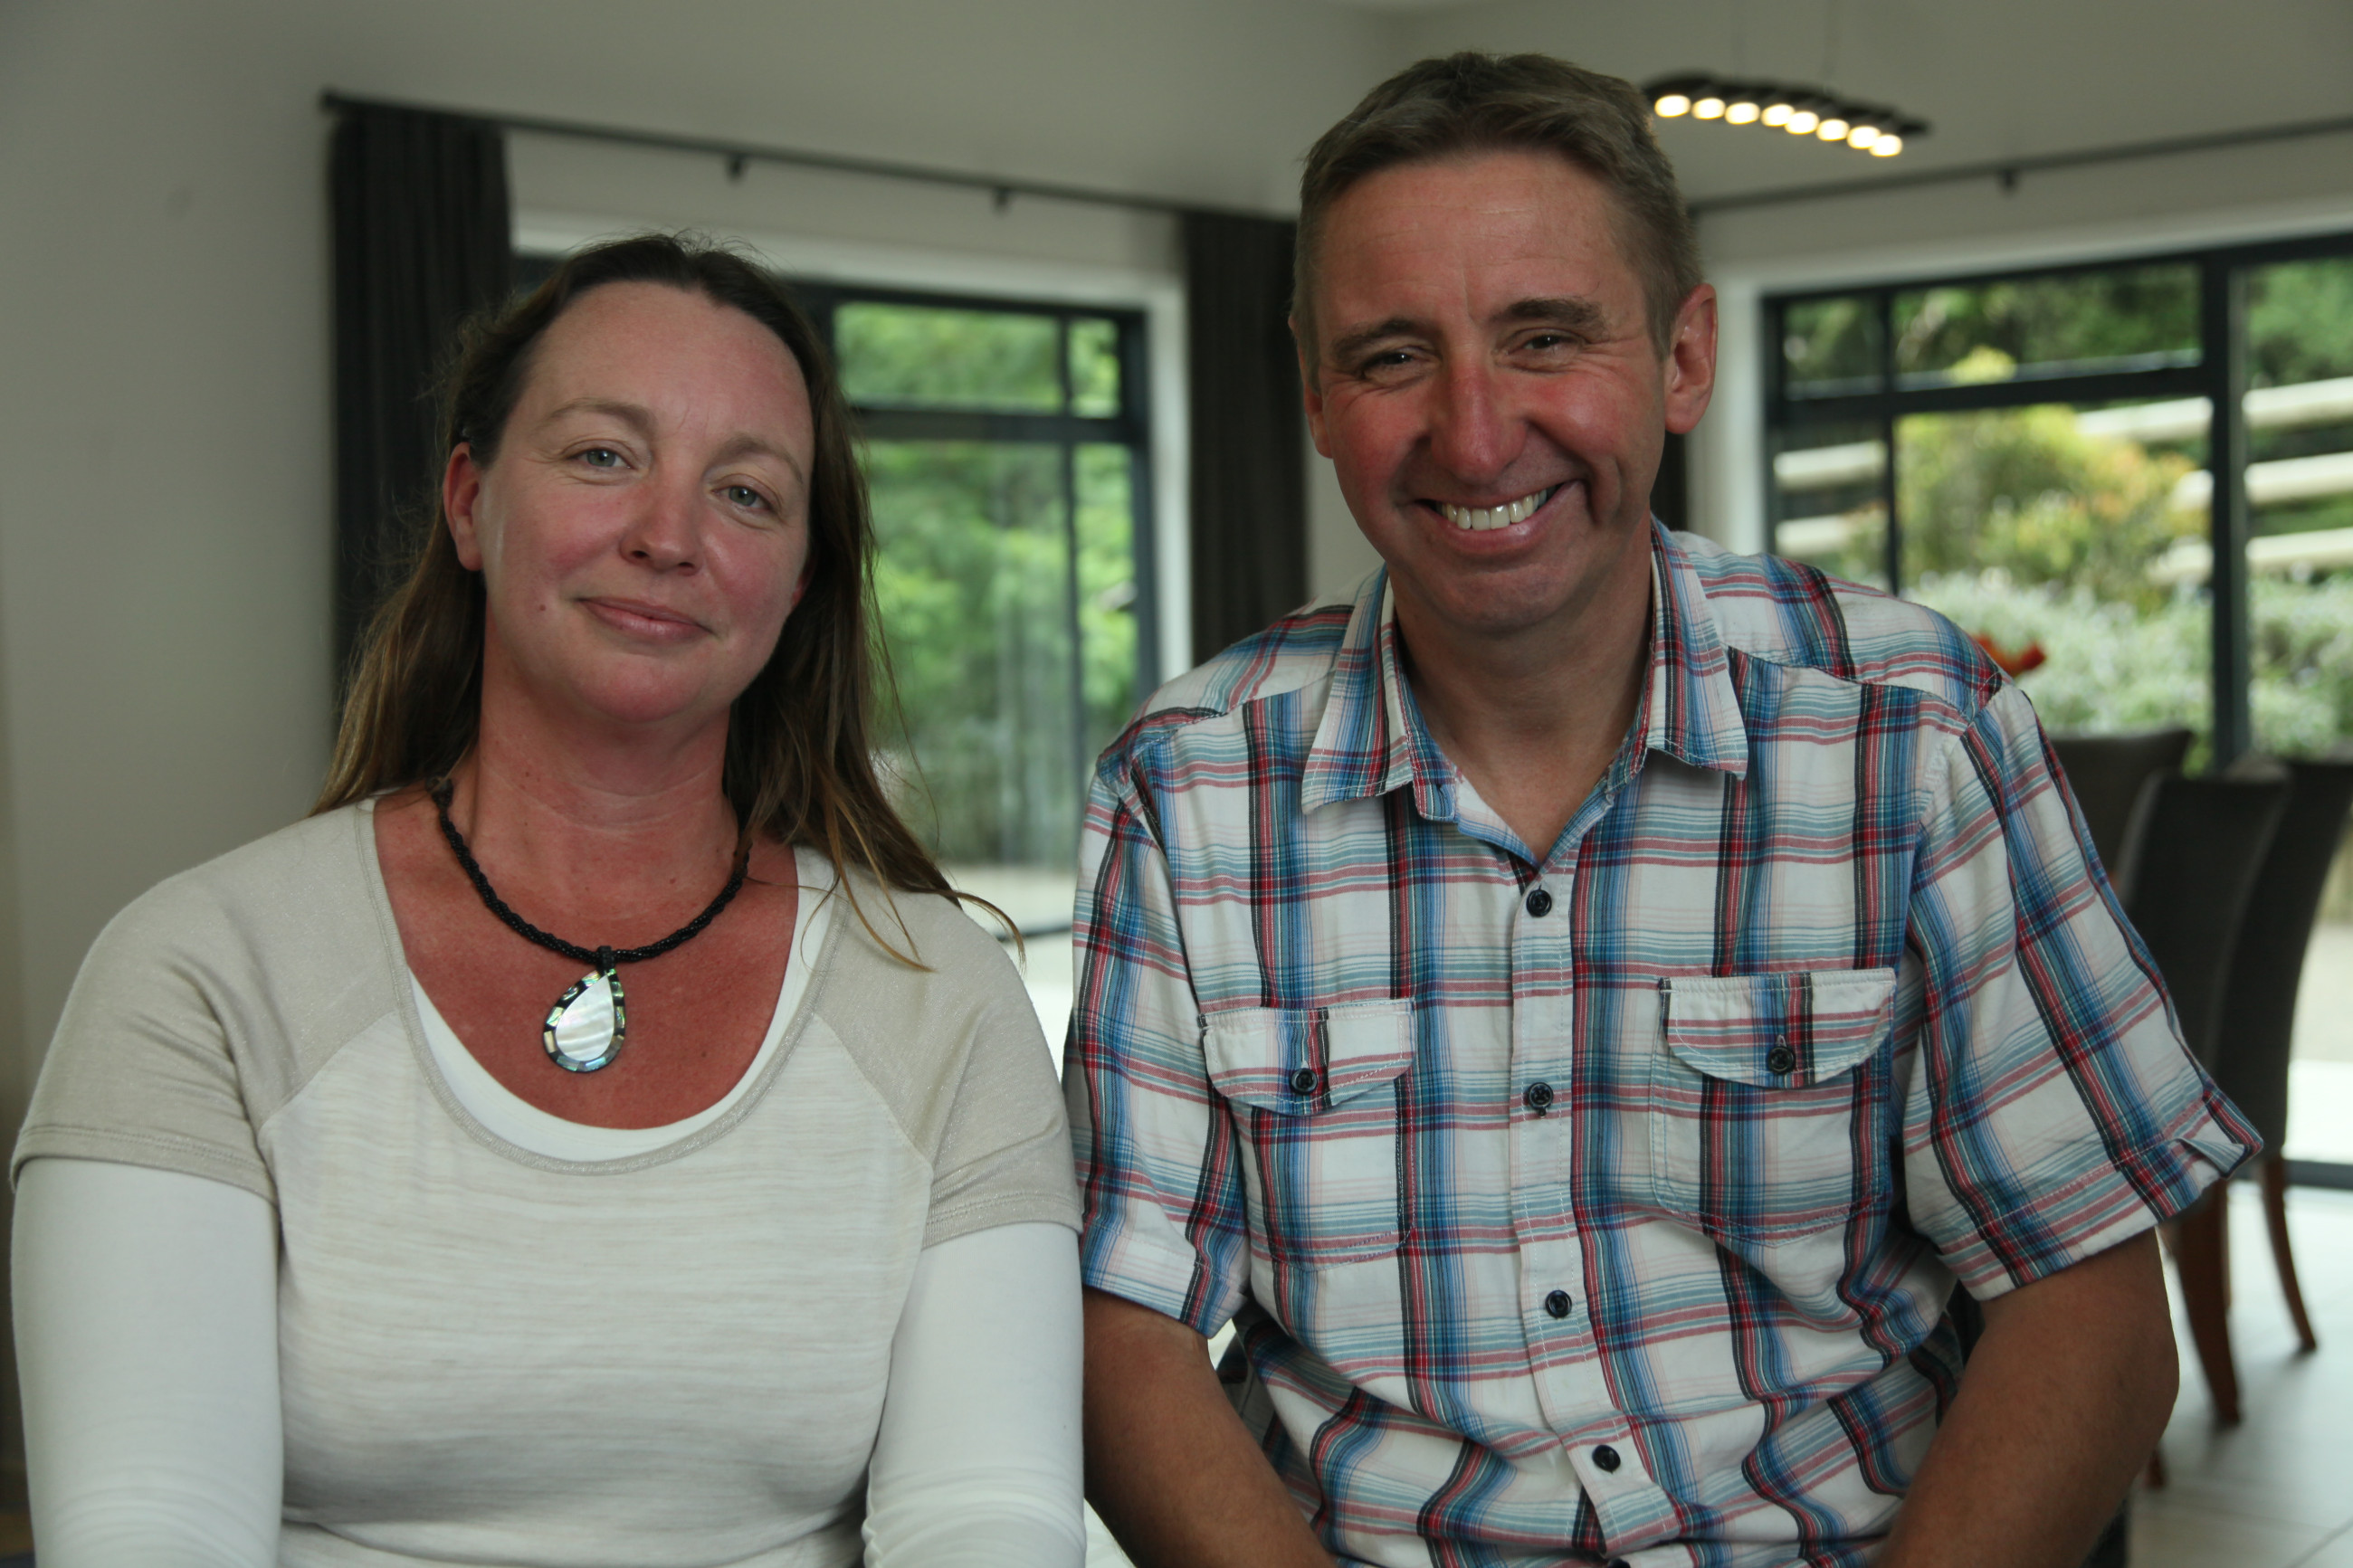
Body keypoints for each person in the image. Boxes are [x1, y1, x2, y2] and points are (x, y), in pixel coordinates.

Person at [1069, 53, 2254, 1568]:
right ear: (1313, 394)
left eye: (1546, 335)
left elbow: (2084, 1295)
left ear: (1684, 356)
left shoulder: (1915, 727)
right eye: (1390, 357)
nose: (1478, 433)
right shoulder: (1184, 789)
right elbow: (1124, 1329)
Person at [13, 233, 1086, 1568]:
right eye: (601, 455)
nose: (667, 535)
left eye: (747, 493)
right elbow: (149, 1536)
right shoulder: (198, 975)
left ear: (798, 579)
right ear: (469, 502)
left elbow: (989, 1518)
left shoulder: (942, 998)